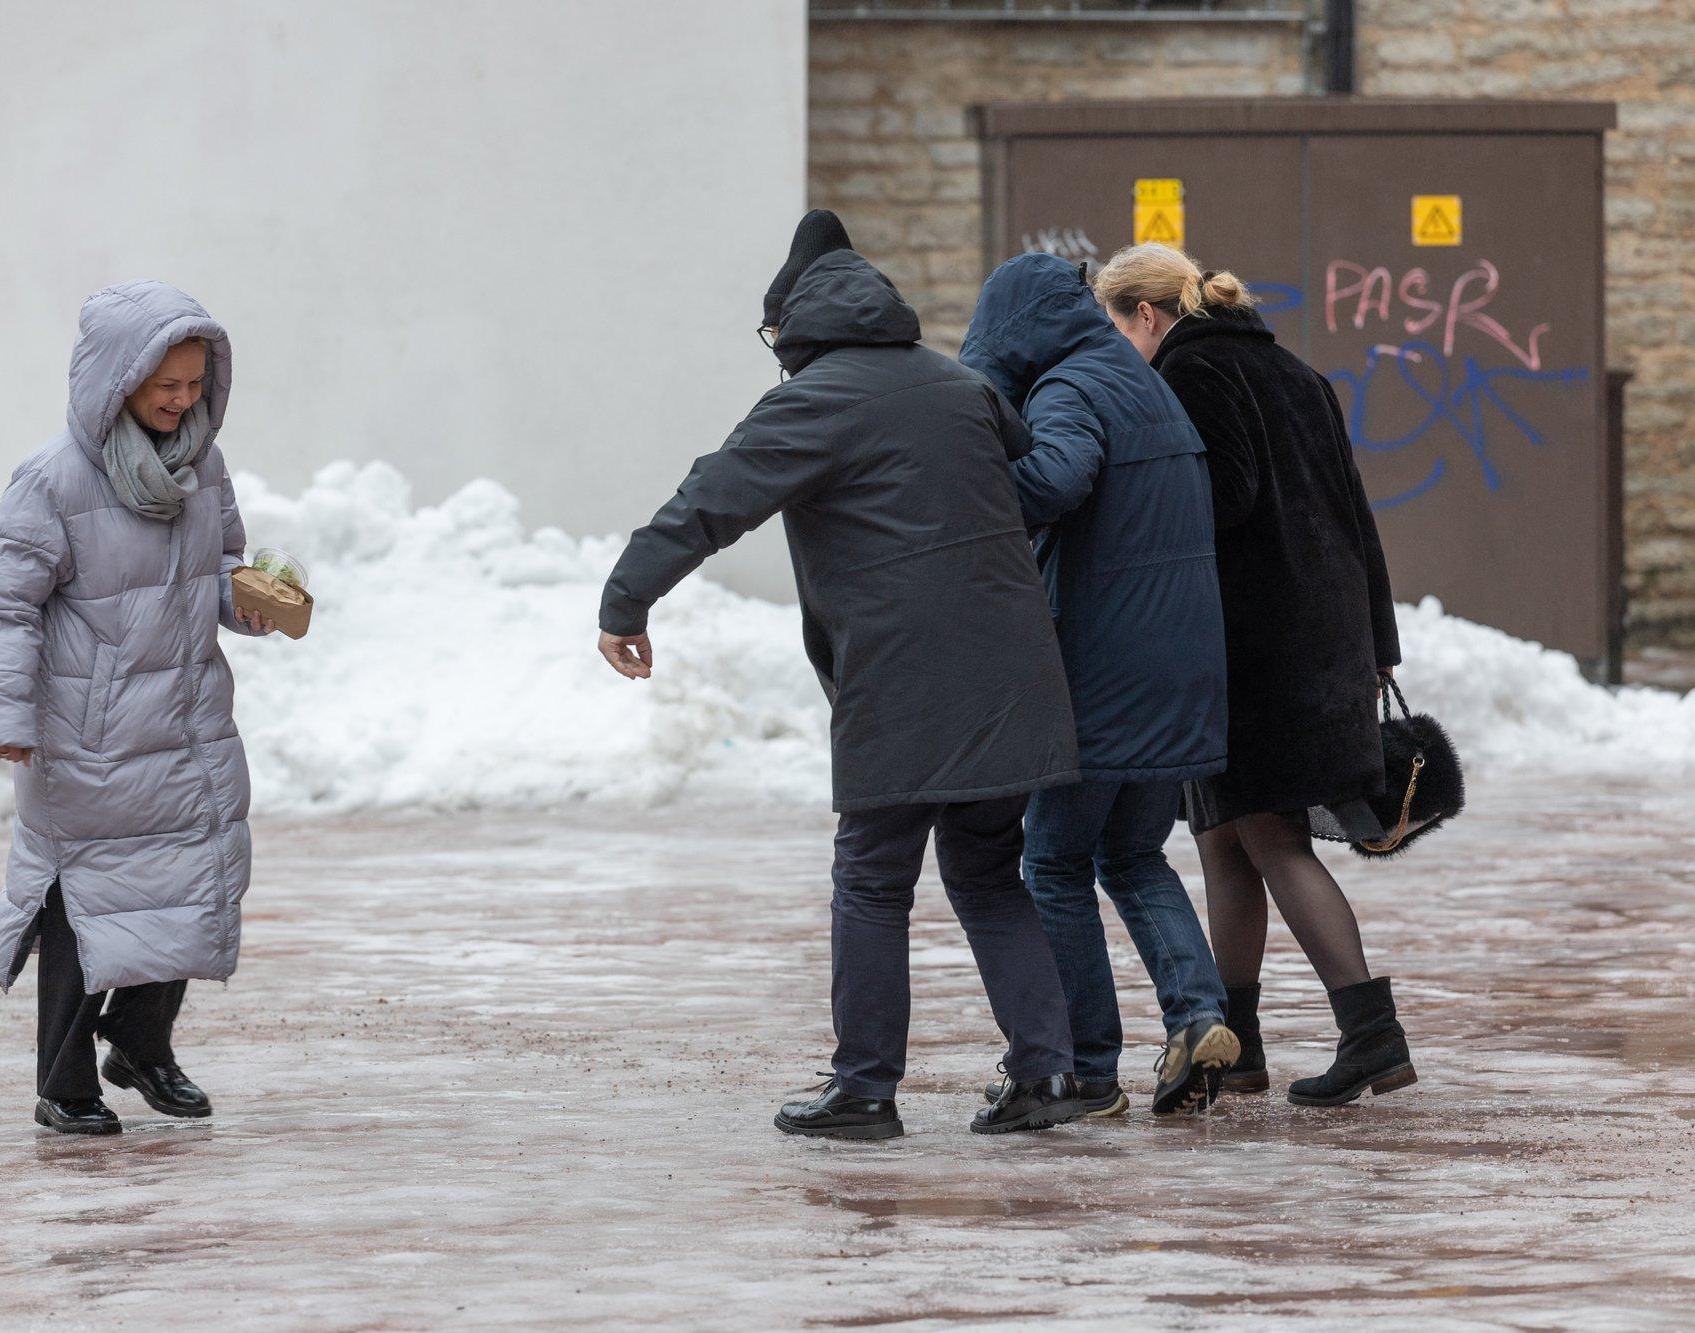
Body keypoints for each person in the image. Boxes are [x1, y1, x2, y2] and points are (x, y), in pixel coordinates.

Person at [597, 210, 1085, 1139]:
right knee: (988, 874)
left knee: (871, 877)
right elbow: (1029, 475)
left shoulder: (812, 401)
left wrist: (624, 601)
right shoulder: (961, 384)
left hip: (906, 681)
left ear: (796, 330)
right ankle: (1047, 1072)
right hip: (1015, 671)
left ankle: (865, 1086)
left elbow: (709, 501)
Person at [1093, 242, 1415, 1108]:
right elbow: (1357, 514)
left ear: (1147, 316)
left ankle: (1371, 1034)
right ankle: (1238, 1045)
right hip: (1312, 639)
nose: (1114, 348)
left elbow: (1221, 502)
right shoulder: (1295, 372)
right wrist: (1378, 639)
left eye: (1114, 327)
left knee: (1271, 839)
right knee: (1223, 840)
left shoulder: (1193, 376)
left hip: (1249, 650)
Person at [0, 280, 281, 1135]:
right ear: (116, 381)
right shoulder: (51, 480)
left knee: (187, 881)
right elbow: (3, 606)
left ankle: (141, 1046)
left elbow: (217, 567)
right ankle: (64, 1081)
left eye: (192, 386)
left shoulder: (202, 466)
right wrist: (4, 717)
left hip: (181, 721)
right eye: (164, 388)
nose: (181, 403)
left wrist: (250, 600)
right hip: (88, 733)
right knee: (79, 904)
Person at [959, 252, 1237, 1117]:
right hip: (1180, 661)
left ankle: (1086, 1065)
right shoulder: (1142, 382)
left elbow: (1053, 479)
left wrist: (967, 487)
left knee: (1051, 861)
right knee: (1131, 851)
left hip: (1105, 667)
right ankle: (1198, 1015)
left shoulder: (1070, 389)